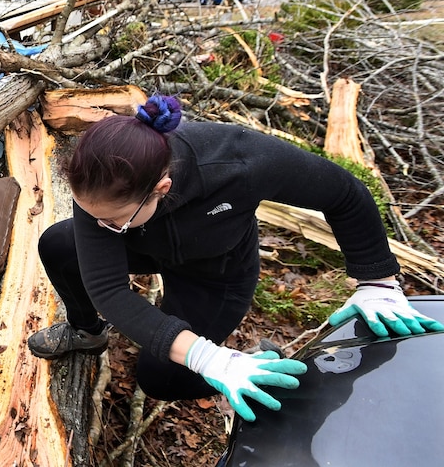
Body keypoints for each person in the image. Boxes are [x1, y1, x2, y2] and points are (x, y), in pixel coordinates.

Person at [27, 94, 444, 422]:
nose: (100, 227)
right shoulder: (96, 180)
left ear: (162, 187)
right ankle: (86, 333)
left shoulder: (241, 161)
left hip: (215, 271)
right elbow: (110, 290)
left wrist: (377, 282)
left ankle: (270, 370)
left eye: (112, 221)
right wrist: (205, 354)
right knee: (57, 244)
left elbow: (345, 194)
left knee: (159, 378)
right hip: (148, 244)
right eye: (93, 215)